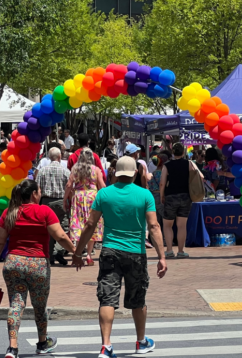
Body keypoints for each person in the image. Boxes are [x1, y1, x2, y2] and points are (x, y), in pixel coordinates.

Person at [72, 156, 167, 358]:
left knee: (107, 298)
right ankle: (141, 342)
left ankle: (106, 346)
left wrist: (78, 252)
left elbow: (90, 225)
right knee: (138, 299)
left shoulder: (104, 194)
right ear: (135, 173)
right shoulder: (145, 195)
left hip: (109, 251)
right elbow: (154, 226)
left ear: (115, 172)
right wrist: (162, 256)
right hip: (136, 252)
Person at [0, 180, 76, 358]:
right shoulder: (44, 211)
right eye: (39, 191)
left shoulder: (10, 212)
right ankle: (42, 343)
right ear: (34, 194)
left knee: (16, 304)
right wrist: (76, 252)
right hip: (38, 265)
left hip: (14, 263)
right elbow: (59, 235)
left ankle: (12, 348)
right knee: (39, 306)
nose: (41, 193)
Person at [64, 148, 106, 266]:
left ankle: (79, 252)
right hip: (92, 197)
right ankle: (88, 255)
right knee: (91, 223)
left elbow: (68, 185)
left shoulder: (75, 169)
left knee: (78, 223)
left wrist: (64, 199)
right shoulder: (96, 169)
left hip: (78, 197)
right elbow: (102, 185)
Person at [160, 143, 201, 258]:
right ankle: (181, 251)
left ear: (172, 152)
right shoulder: (189, 164)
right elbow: (200, 176)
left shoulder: (167, 165)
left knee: (167, 224)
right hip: (185, 196)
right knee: (182, 225)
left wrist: (162, 195)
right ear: (183, 152)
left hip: (170, 196)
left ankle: (169, 250)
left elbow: (162, 182)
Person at [36, 147, 71, 265]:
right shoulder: (66, 171)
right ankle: (58, 251)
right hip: (61, 202)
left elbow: (37, 188)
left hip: (46, 202)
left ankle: (50, 255)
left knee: (48, 229)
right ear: (60, 156)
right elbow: (70, 187)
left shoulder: (42, 171)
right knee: (64, 227)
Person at [149, 154, 168, 228]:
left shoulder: (152, 173)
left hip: (153, 197)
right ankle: (164, 237)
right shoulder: (163, 174)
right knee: (165, 219)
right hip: (161, 196)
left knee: (156, 220)